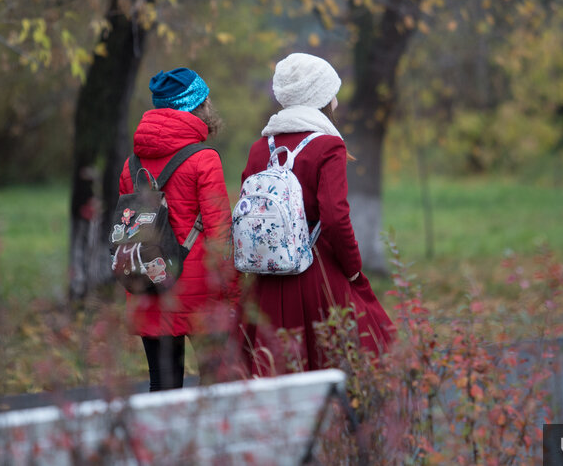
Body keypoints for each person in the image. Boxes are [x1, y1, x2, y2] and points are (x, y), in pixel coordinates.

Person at [238, 53, 394, 375]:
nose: (336, 101)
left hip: (266, 277)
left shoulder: (260, 147)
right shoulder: (327, 145)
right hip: (316, 269)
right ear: (320, 97)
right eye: (332, 93)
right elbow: (335, 217)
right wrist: (352, 269)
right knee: (346, 356)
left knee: (270, 367)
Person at [118, 67, 235, 391]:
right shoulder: (204, 159)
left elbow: (127, 231)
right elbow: (220, 235)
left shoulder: (132, 164)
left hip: (149, 286)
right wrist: (235, 293)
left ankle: (161, 444)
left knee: (163, 386)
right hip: (199, 293)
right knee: (217, 386)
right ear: (198, 105)